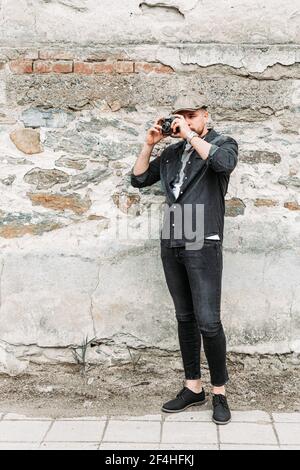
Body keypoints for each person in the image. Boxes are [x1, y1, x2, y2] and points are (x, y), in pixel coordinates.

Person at [130, 92, 238, 425]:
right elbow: (138, 179)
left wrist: (191, 135)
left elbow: (223, 165)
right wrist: (150, 144)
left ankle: (219, 391)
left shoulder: (224, 144)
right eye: (181, 116)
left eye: (192, 116)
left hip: (202, 237)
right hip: (173, 237)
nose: (185, 121)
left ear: (206, 116)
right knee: (185, 317)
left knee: (208, 320)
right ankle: (193, 387)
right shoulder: (172, 153)